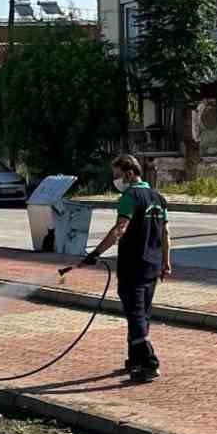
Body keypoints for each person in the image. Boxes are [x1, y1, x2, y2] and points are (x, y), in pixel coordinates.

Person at [80, 153, 170, 382]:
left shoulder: (130, 196)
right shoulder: (158, 197)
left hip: (133, 265)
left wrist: (95, 253)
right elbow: (165, 233)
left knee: (136, 314)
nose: (116, 180)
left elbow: (120, 229)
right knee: (141, 313)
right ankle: (135, 360)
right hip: (152, 265)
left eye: (117, 175)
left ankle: (149, 363)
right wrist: (166, 262)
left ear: (130, 174)